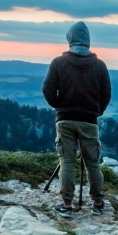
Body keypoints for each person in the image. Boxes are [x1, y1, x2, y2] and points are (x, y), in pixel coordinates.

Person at [42, 21, 111, 217]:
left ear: (70, 39)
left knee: (67, 162)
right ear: (88, 41)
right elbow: (106, 94)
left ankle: (66, 205)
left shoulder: (58, 63)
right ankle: (98, 204)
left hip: (65, 119)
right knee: (93, 163)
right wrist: (97, 112)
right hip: (89, 120)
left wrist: (59, 106)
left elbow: (47, 90)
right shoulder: (99, 65)